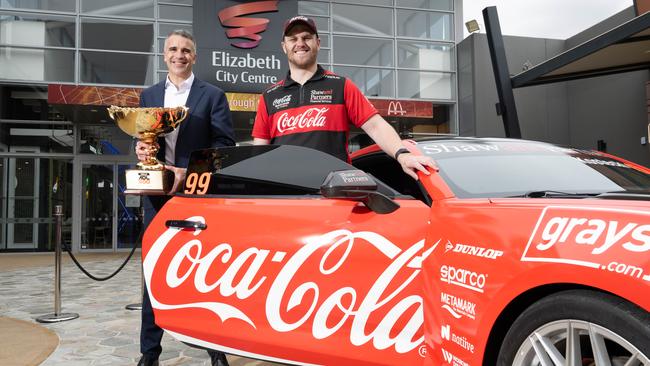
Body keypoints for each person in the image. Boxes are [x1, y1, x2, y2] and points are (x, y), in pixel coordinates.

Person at [135, 29, 235, 366]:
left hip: (197, 196)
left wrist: (187, 172)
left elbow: (225, 146)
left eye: (186, 51)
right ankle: (149, 353)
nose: (180, 55)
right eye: (174, 49)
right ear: (164, 55)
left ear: (195, 57)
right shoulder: (148, 95)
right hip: (156, 197)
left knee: (204, 274)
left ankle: (215, 351)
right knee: (153, 272)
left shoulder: (213, 95)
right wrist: (140, 148)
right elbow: (142, 138)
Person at [252, 16, 436, 180]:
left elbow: (375, 126)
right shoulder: (270, 95)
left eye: (307, 37)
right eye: (293, 39)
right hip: (285, 192)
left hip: (333, 191)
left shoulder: (341, 85)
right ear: (284, 47)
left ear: (318, 42)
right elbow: (260, 150)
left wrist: (403, 155)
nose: (300, 43)